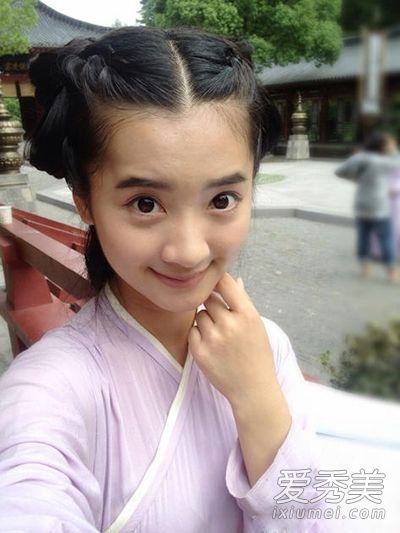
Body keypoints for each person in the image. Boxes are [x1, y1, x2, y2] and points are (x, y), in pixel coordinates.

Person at [0, 26, 333, 532]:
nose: (189, 251)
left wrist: (257, 397)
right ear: (85, 199)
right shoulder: (52, 386)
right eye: (145, 203)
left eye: (222, 200)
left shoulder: (266, 347)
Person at [335, 131, 400, 283]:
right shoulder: (385, 161)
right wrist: (393, 150)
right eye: (389, 143)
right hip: (379, 205)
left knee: (363, 237)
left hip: (361, 204)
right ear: (382, 145)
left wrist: (356, 178)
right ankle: (391, 271)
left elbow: (339, 171)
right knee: (386, 238)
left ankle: (365, 267)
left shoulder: (360, 157)